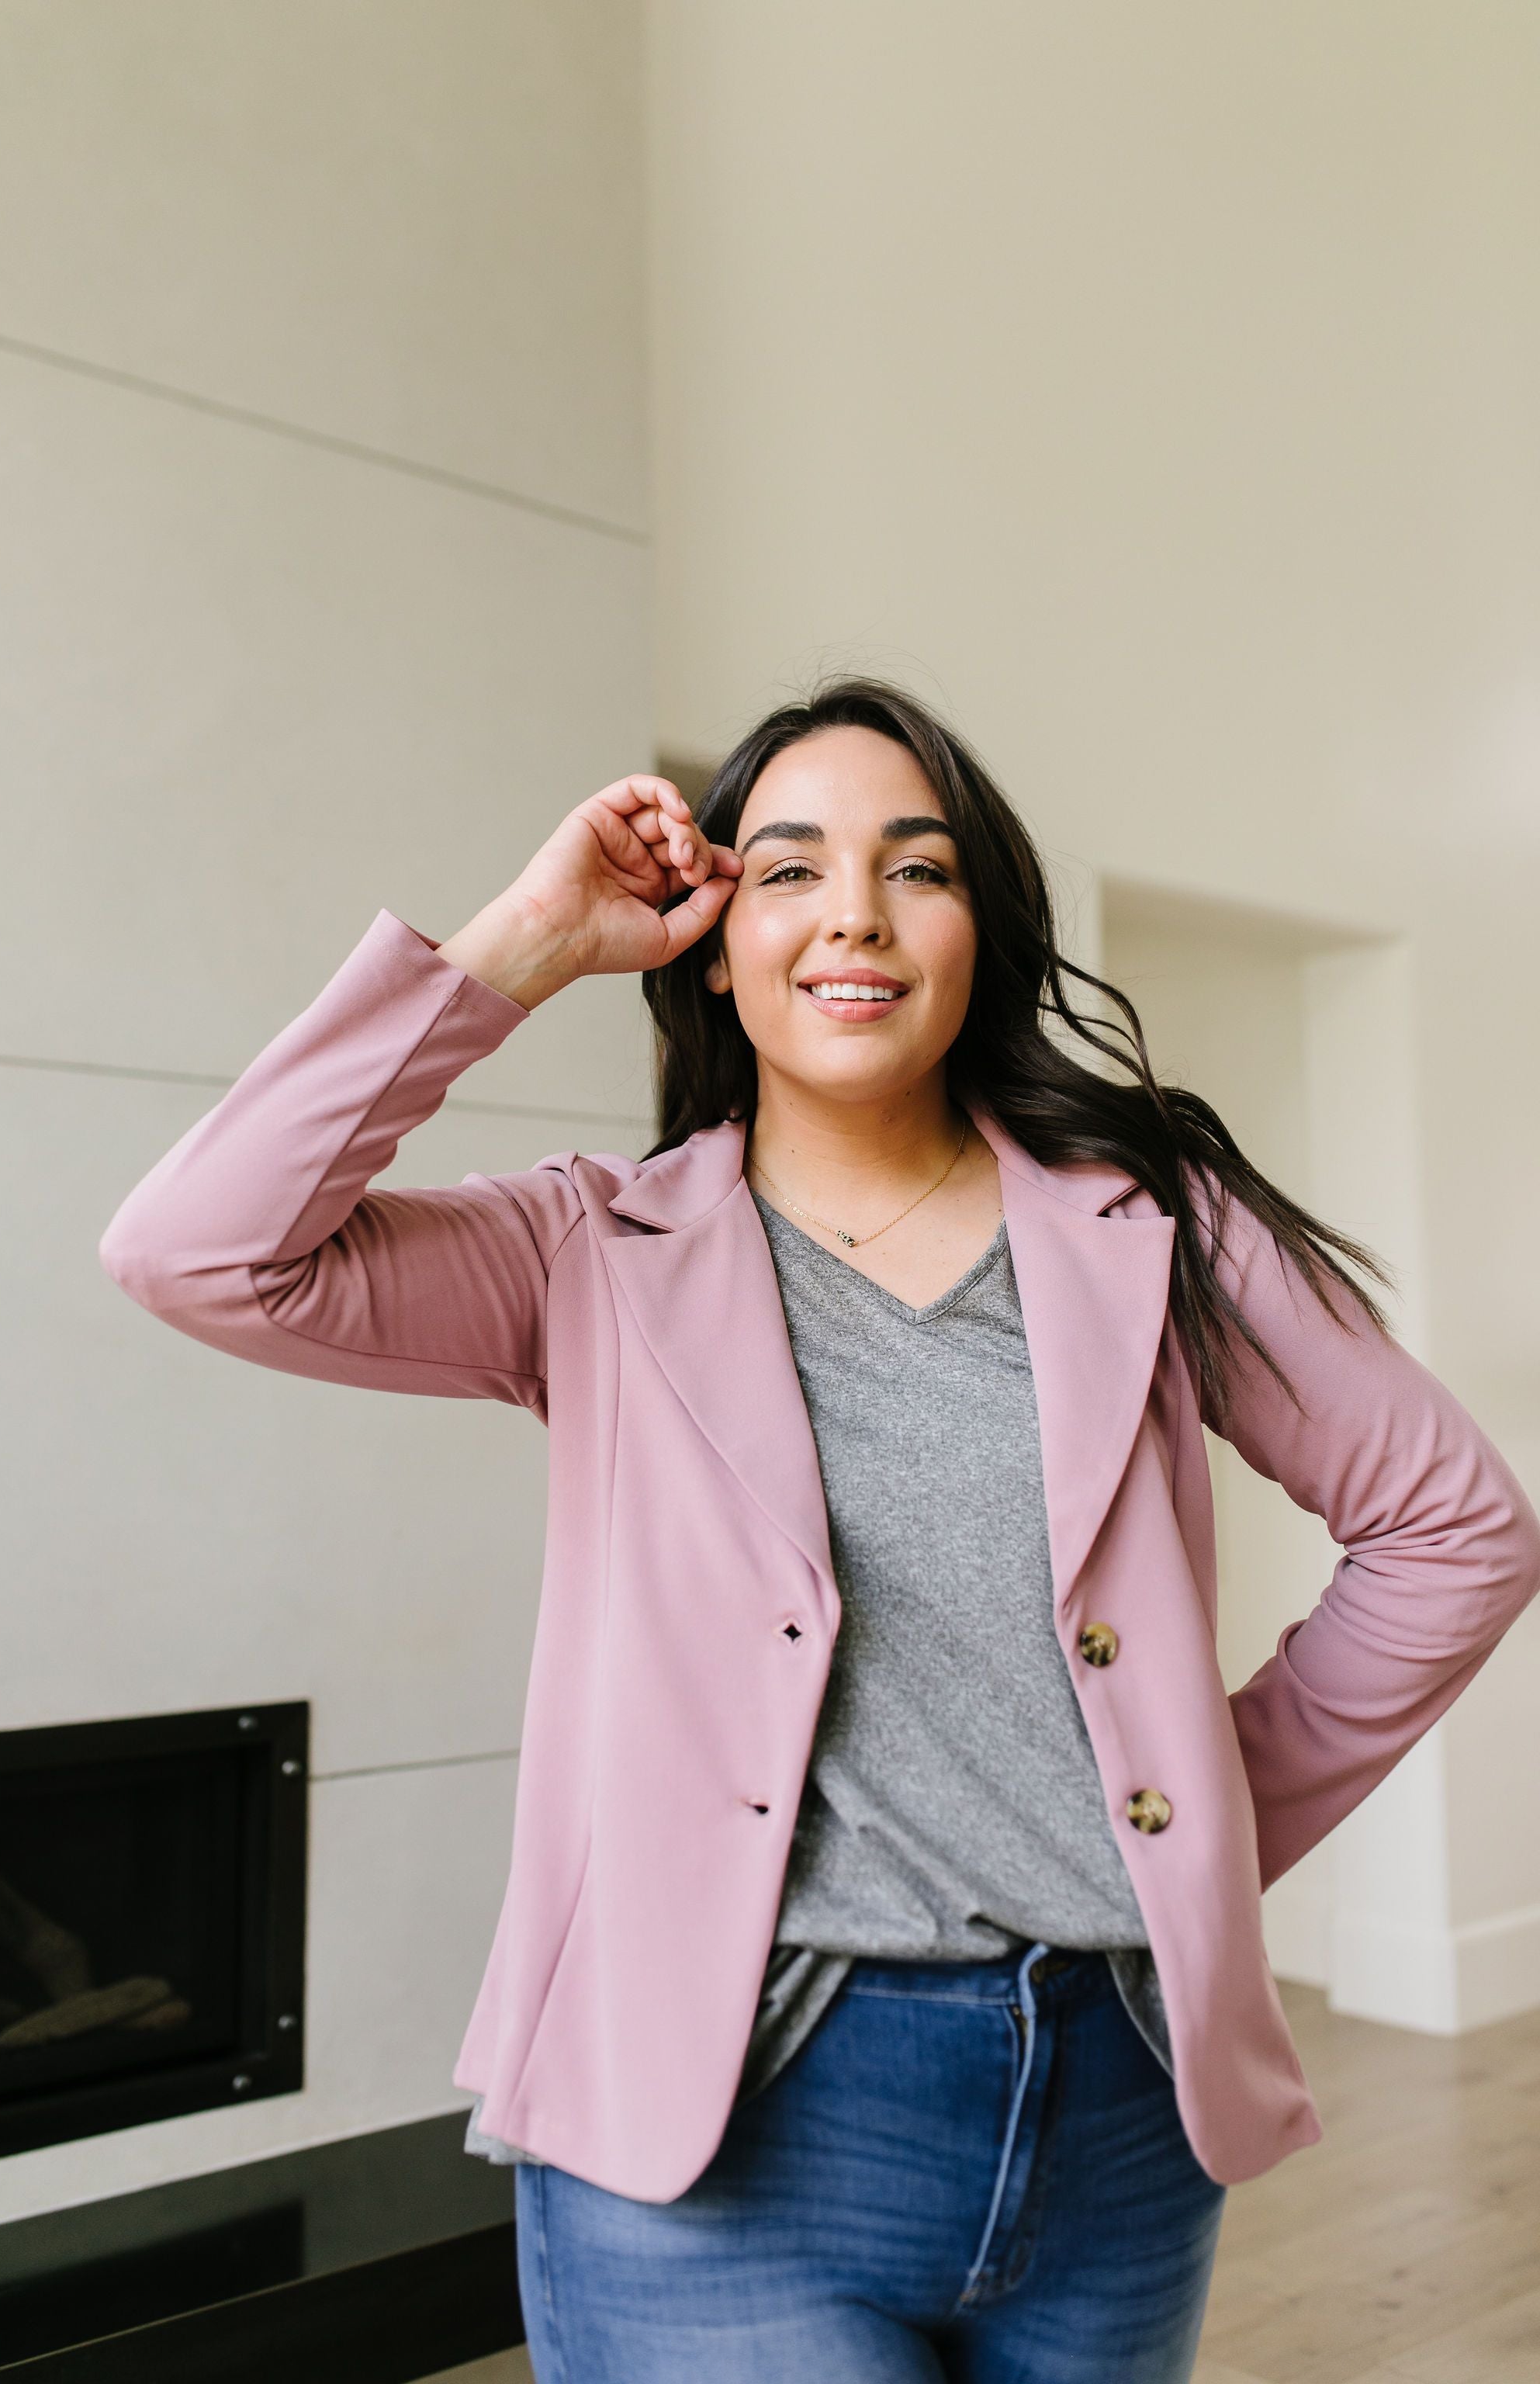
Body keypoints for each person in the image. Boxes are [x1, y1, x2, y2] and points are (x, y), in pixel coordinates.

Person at [99, 677, 1540, 2383]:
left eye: (914, 869)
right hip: (733, 2124)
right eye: (785, 870)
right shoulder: (587, 1253)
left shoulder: (1153, 1226)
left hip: (1120, 2110)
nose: (853, 911)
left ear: (980, 930)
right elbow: (198, 1251)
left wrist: (1194, 1828)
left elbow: (1456, 1529)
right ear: (711, 942)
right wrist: (525, 942)